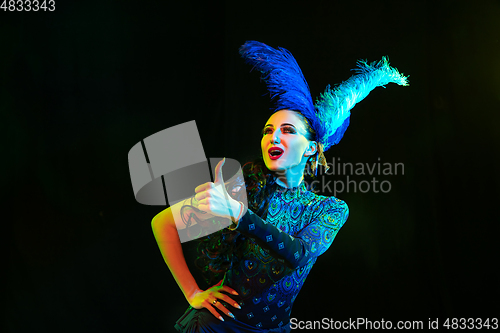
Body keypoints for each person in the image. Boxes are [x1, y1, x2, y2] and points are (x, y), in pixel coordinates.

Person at [151, 41, 408, 332]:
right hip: (215, 327)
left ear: (311, 148)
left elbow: (297, 254)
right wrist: (193, 293)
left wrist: (239, 215)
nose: (274, 138)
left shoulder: (328, 209)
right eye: (268, 130)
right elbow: (163, 223)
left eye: (288, 130)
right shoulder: (241, 189)